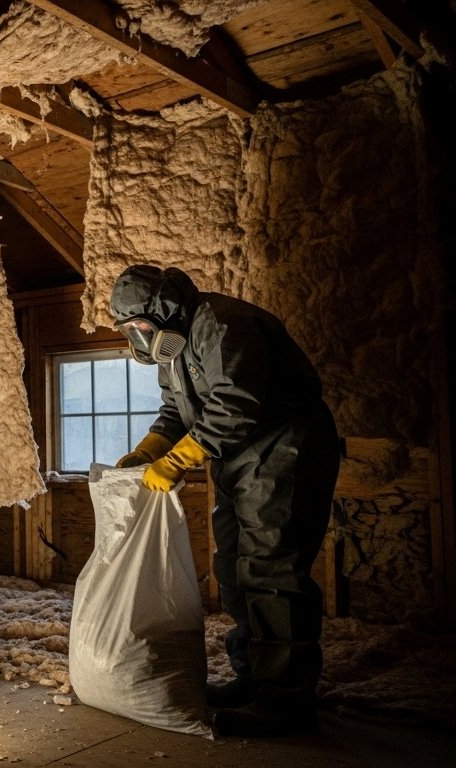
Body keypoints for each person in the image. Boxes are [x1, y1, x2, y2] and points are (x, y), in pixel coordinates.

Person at [109, 265, 341, 737]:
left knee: (271, 570)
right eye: (128, 330)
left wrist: (177, 461)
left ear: (164, 311)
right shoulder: (173, 349)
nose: (137, 338)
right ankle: (253, 677)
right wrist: (152, 447)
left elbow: (237, 402)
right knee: (234, 566)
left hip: (282, 449)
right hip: (236, 458)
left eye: (140, 327)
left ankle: (286, 703)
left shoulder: (220, 323)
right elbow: (177, 408)